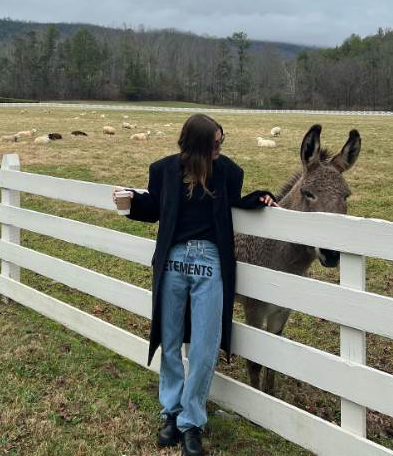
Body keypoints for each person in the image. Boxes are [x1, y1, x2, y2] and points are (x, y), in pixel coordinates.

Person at [113, 114, 277, 456]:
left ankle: (192, 422)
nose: (220, 147)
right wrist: (129, 202)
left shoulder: (228, 172)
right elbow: (155, 208)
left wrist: (259, 198)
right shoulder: (164, 170)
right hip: (172, 263)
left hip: (210, 263)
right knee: (170, 341)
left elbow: (237, 201)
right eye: (215, 142)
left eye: (222, 141)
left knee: (205, 344)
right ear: (198, 145)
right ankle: (170, 412)